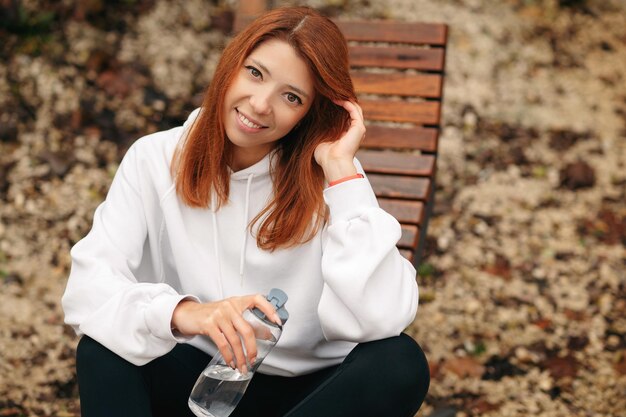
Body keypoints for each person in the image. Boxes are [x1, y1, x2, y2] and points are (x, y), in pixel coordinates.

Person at [62, 6, 429, 417]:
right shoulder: (155, 158)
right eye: (255, 73)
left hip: (306, 399)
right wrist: (186, 313)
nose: (259, 105)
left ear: (311, 111)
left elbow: (382, 320)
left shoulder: (332, 175)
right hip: (199, 383)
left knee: (400, 362)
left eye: (291, 97)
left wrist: (343, 173)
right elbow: (87, 289)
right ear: (230, 65)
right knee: (102, 349)